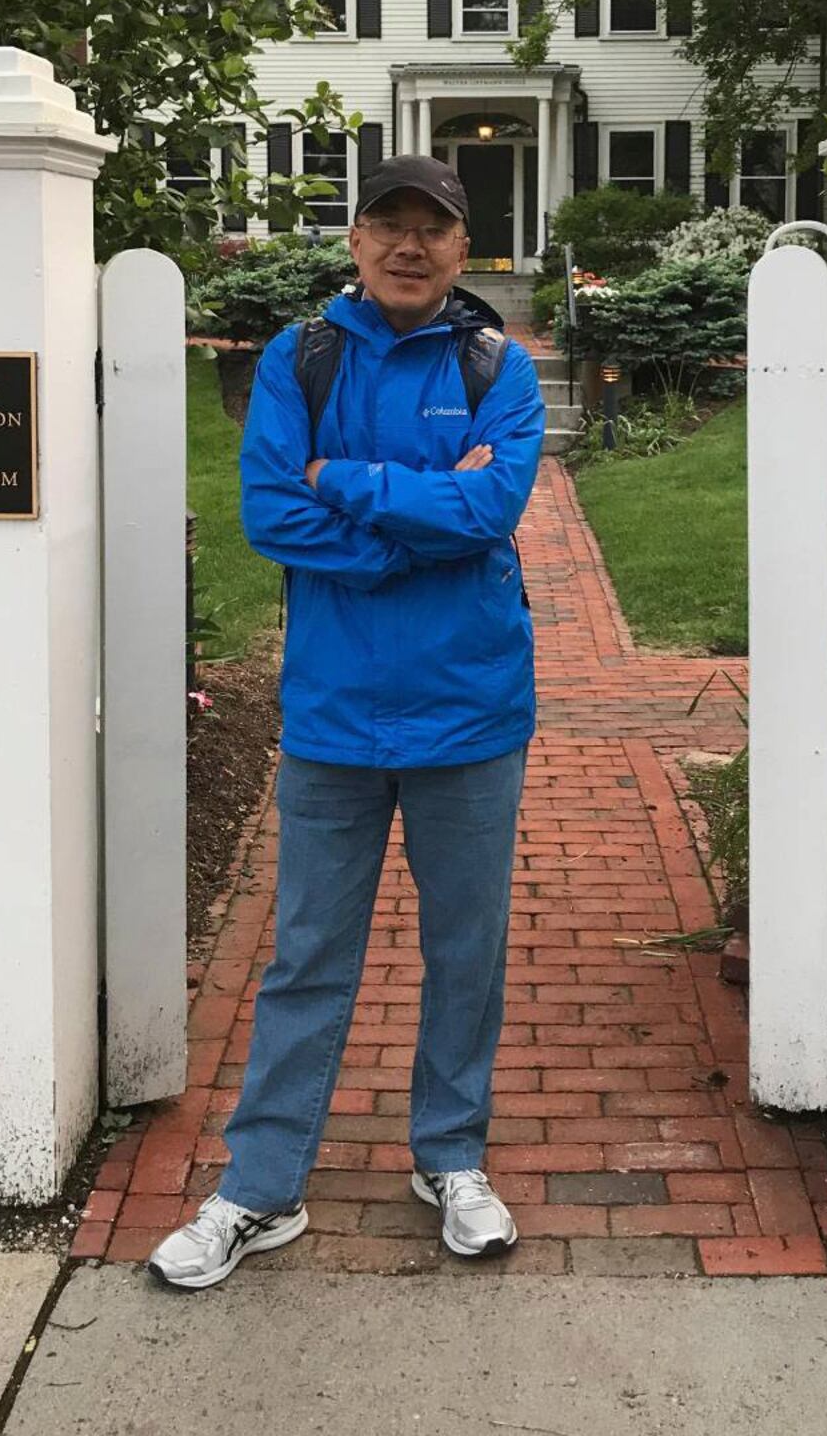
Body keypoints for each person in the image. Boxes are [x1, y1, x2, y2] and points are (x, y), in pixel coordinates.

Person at [149, 155, 546, 1291]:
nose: (409, 245)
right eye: (389, 224)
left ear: (465, 249)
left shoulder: (495, 367)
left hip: (471, 707)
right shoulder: (299, 356)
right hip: (332, 712)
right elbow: (271, 508)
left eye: (435, 227)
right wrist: (406, 526)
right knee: (307, 954)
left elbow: (490, 506)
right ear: (357, 241)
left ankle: (451, 1158)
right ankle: (260, 1187)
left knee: (463, 949)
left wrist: (346, 477)